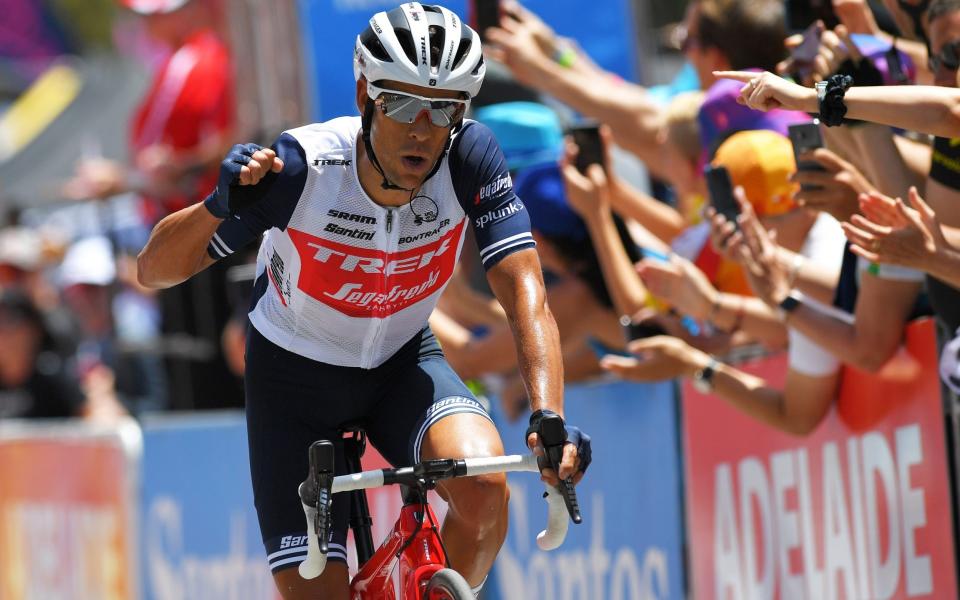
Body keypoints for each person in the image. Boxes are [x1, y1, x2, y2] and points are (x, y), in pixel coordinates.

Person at [136, 4, 590, 599]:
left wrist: (547, 413)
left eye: (443, 108)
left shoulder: (469, 157)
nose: (422, 128)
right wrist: (217, 207)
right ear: (363, 95)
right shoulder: (302, 169)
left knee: (485, 488)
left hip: (403, 361)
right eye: (401, 103)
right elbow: (153, 271)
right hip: (293, 379)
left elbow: (525, 290)